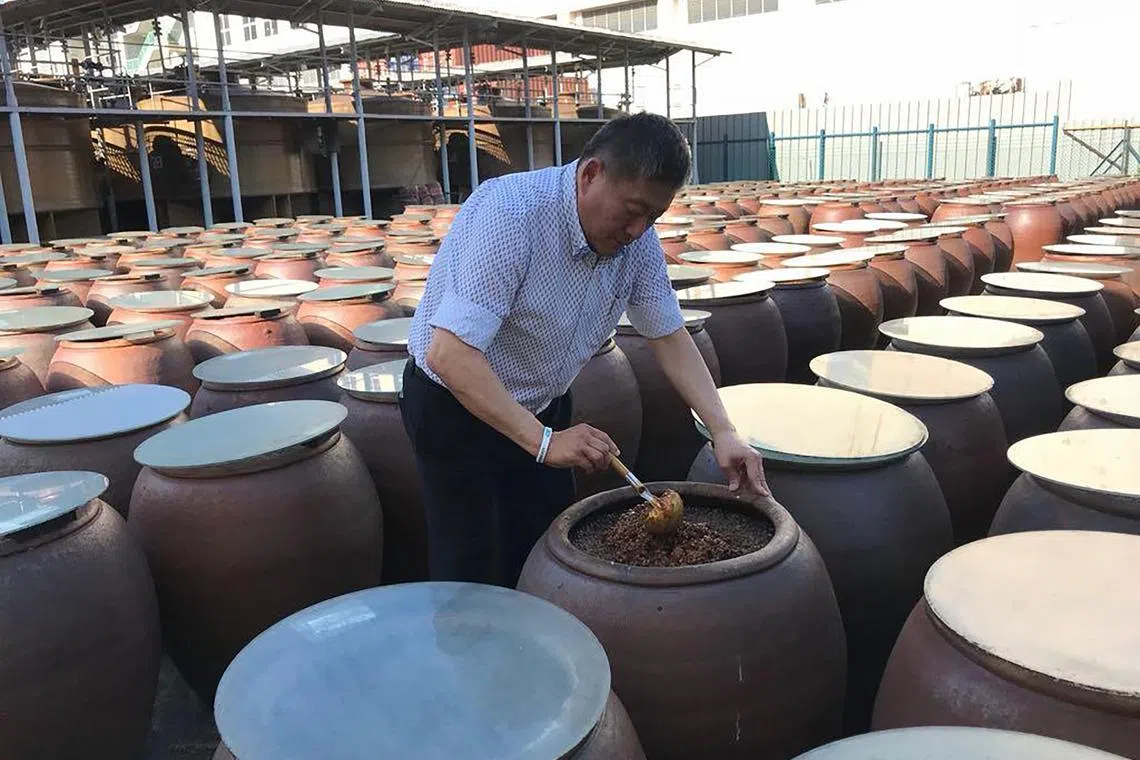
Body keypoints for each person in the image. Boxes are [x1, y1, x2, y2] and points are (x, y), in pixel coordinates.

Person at [401, 112, 768, 586]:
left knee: (544, 545)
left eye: (653, 217)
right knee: (471, 563)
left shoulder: (637, 241)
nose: (638, 230)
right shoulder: (512, 216)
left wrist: (723, 430)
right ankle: (468, 650)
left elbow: (668, 334)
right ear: (590, 174)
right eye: (632, 210)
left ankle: (536, 646)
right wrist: (544, 442)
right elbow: (449, 354)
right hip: (455, 404)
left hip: (540, 402)